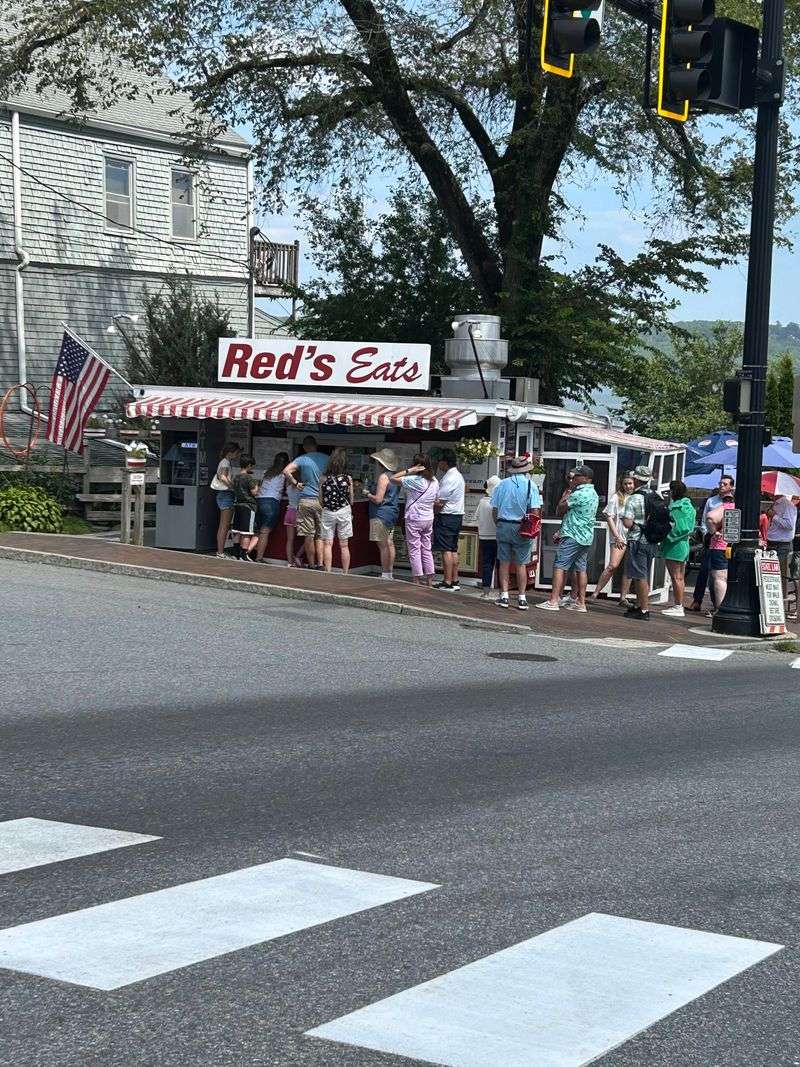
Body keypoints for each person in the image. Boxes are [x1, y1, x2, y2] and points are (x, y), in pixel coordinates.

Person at [537, 465, 598, 613]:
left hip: (572, 534)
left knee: (559, 565)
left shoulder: (578, 493)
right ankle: (581, 602)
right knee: (581, 568)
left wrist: (568, 491)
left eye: (577, 476)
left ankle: (553, 600)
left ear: (586, 479)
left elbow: (560, 508)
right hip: (585, 536)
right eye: (573, 477)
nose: (574, 479)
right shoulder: (594, 493)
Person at [491, 457, 542, 611]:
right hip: (522, 527)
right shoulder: (530, 485)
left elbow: (494, 510)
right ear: (526, 470)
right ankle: (521, 598)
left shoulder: (501, 484)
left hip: (504, 525)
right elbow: (535, 510)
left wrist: (499, 524)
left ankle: (504, 596)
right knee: (521, 564)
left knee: (504, 563)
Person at [688, 474, 735, 613]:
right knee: (706, 572)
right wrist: (710, 533)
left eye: (725, 484)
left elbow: (711, 518)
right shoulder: (711, 501)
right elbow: (705, 520)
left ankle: (717, 605)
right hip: (712, 541)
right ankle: (698, 600)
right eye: (720, 483)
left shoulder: (731, 503)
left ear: (731, 487)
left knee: (719, 575)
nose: (721, 485)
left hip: (723, 543)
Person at [391, 454, 439, 586]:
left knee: (414, 549)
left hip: (414, 518)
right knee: (427, 548)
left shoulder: (414, 480)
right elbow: (436, 500)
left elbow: (393, 478)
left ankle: (417, 579)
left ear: (417, 465)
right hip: (428, 518)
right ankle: (430, 580)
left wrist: (410, 470)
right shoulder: (434, 481)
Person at [621, 465, 661, 621]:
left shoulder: (634, 498)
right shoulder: (655, 495)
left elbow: (627, 523)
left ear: (636, 479)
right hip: (651, 540)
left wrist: (634, 523)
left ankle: (644, 610)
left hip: (637, 540)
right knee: (642, 575)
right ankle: (639, 606)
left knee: (640, 576)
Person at [283, 436, 329, 570]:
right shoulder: (327, 458)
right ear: (316, 445)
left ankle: (312, 564)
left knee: (309, 534)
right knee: (319, 535)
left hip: (306, 499)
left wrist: (295, 483)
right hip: (321, 500)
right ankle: (320, 564)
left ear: (304, 447)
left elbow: (286, 471)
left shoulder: (302, 459)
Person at [591, 474, 635, 604]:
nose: (628, 486)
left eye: (630, 483)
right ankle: (595, 593)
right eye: (626, 483)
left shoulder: (636, 498)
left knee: (629, 568)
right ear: (622, 484)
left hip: (632, 537)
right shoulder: (616, 497)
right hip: (619, 536)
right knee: (612, 565)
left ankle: (623, 597)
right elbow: (609, 516)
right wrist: (616, 536)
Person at [660, 480, 696, 617]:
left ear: (673, 492)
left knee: (676, 577)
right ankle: (678, 604)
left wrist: (667, 536)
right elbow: (688, 527)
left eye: (670, 490)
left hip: (674, 544)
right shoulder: (689, 506)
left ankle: (678, 606)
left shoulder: (677, 508)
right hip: (683, 544)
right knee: (680, 577)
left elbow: (680, 527)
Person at [365, 448, 401, 579]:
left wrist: (367, 494)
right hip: (392, 513)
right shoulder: (395, 476)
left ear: (381, 463)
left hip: (380, 514)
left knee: (383, 545)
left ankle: (385, 573)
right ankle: (389, 573)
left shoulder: (383, 477)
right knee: (389, 543)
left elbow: (378, 499)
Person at [433, 450, 466, 591]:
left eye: (439, 461)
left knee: (446, 549)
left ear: (445, 462)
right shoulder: (458, 476)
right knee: (452, 549)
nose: (438, 464)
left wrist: (433, 510)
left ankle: (447, 581)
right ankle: (455, 580)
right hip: (457, 515)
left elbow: (441, 502)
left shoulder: (449, 477)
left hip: (447, 516)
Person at [319, 447, 354, 574]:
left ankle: (328, 571)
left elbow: (320, 500)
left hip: (328, 511)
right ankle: (345, 573)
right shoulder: (348, 479)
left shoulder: (323, 478)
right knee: (344, 545)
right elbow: (351, 500)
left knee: (328, 544)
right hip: (344, 511)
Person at [704, 484, 736, 613]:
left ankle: (720, 609)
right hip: (736, 546)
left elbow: (710, 517)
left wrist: (713, 532)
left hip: (721, 545)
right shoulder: (744, 509)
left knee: (719, 577)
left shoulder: (726, 507)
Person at [253, 451, 289, 563]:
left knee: (257, 531)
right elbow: (288, 488)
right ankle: (258, 557)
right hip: (271, 502)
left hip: (259, 501)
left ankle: (246, 553)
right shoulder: (285, 474)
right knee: (264, 532)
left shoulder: (267, 472)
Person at [211, 441, 241, 558]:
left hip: (223, 495)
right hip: (226, 494)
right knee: (224, 525)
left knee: (223, 525)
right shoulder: (225, 462)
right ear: (231, 452)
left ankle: (220, 551)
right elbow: (223, 477)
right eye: (237, 453)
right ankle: (220, 552)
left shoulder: (224, 462)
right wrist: (232, 486)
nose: (238, 455)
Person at [766, 494, 797, 602]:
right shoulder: (776, 504)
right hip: (772, 543)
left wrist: (774, 516)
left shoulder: (787, 505)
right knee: (770, 574)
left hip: (781, 545)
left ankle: (779, 601)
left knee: (778, 575)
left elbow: (789, 525)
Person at [230, 454, 259, 560]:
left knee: (237, 530)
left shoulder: (236, 477)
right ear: (249, 465)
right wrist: (257, 485)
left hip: (238, 505)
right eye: (252, 466)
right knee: (247, 532)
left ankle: (235, 553)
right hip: (248, 506)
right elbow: (254, 492)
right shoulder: (249, 478)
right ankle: (244, 555)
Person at [475, 475, 501, 598]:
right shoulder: (498, 502)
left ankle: (486, 592)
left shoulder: (482, 501)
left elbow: (477, 517)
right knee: (500, 564)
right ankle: (502, 591)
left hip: (484, 536)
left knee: (486, 563)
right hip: (497, 536)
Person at [284, 480, 306, 568]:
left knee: (290, 540)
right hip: (299, 512)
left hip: (289, 512)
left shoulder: (288, 487)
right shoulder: (302, 487)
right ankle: (297, 556)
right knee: (310, 538)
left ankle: (290, 562)